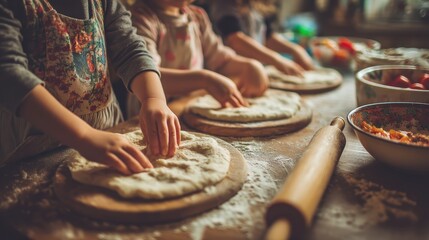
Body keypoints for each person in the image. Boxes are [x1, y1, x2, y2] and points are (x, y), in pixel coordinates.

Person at [0, 0, 181, 175]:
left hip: (108, 135)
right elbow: (8, 74)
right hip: (32, 154)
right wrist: (83, 136)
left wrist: (154, 99)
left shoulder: (104, 2)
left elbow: (130, 49)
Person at [127, 0, 269, 118]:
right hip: (154, 118)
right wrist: (204, 80)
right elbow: (146, 76)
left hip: (188, 107)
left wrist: (249, 66)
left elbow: (219, 58)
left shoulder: (197, 17)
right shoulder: (141, 18)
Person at [208, 0, 315, 76]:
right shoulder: (223, 4)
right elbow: (235, 40)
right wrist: (277, 59)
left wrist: (296, 50)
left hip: (257, 72)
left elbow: (268, 38)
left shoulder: (256, 5)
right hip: (233, 74)